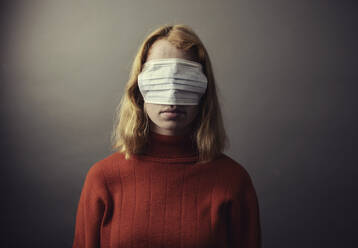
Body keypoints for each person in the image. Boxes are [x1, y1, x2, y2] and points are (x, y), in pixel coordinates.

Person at [72, 24, 262, 248]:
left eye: (185, 78)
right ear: (138, 88)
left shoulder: (233, 180)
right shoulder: (103, 178)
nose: (172, 95)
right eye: (160, 77)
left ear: (204, 90)